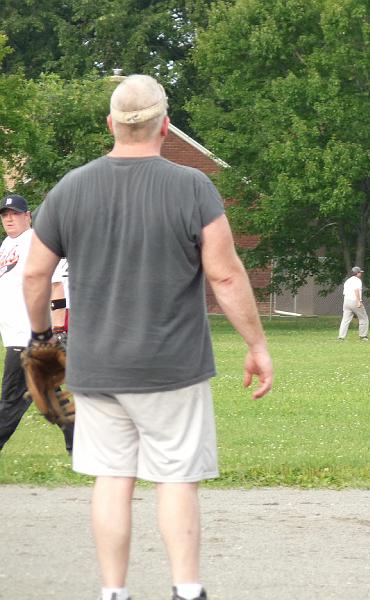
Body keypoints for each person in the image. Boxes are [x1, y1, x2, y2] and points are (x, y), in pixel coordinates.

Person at [23, 74, 274, 600]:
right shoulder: (192, 187)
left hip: (97, 367)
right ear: (164, 125)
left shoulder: (71, 187)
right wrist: (256, 345)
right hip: (172, 366)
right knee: (176, 479)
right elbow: (227, 276)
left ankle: (113, 591)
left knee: (112, 479)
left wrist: (42, 336)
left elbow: (35, 274)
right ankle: (186, 589)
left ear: (110, 125)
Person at [0, 193, 73, 454]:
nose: (9, 219)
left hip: (28, 335)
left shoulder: (36, 242)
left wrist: (57, 327)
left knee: (11, 400)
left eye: (15, 214)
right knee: (49, 393)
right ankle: (80, 442)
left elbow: (56, 284)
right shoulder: (7, 245)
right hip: (14, 333)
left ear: (27, 216)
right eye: (5, 215)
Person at [338, 266, 370, 341]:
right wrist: (359, 301)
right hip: (354, 300)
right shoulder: (357, 281)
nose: (361, 274)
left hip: (346, 301)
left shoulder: (348, 281)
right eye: (360, 272)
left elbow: (344, 292)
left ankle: (341, 337)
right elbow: (356, 290)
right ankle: (363, 336)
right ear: (357, 273)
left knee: (345, 319)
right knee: (363, 318)